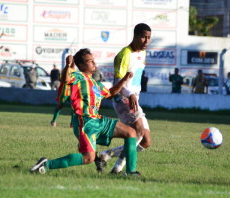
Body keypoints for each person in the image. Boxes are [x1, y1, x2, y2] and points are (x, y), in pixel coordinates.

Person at [30, 49, 140, 176]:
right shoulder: (78, 76)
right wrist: (67, 65)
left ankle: (131, 172)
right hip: (85, 122)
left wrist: (125, 79)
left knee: (131, 132)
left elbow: (111, 93)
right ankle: (46, 165)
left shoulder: (95, 83)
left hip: (98, 120)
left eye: (94, 61)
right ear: (81, 65)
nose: (94, 63)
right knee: (88, 158)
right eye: (90, 61)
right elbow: (65, 79)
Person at [95, 23, 152, 174]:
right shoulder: (124, 54)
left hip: (134, 98)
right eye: (143, 37)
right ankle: (119, 169)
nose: (146, 41)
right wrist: (130, 94)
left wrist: (135, 94)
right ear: (135, 36)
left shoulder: (143, 53)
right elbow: (118, 82)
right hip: (123, 98)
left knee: (146, 141)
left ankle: (107, 154)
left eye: (149, 38)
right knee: (138, 131)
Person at [50, 60, 76, 127]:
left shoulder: (75, 71)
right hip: (65, 92)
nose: (74, 64)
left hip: (72, 93)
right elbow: (60, 79)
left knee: (74, 108)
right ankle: (53, 121)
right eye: (73, 62)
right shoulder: (66, 70)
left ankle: (72, 123)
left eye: (74, 62)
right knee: (60, 106)